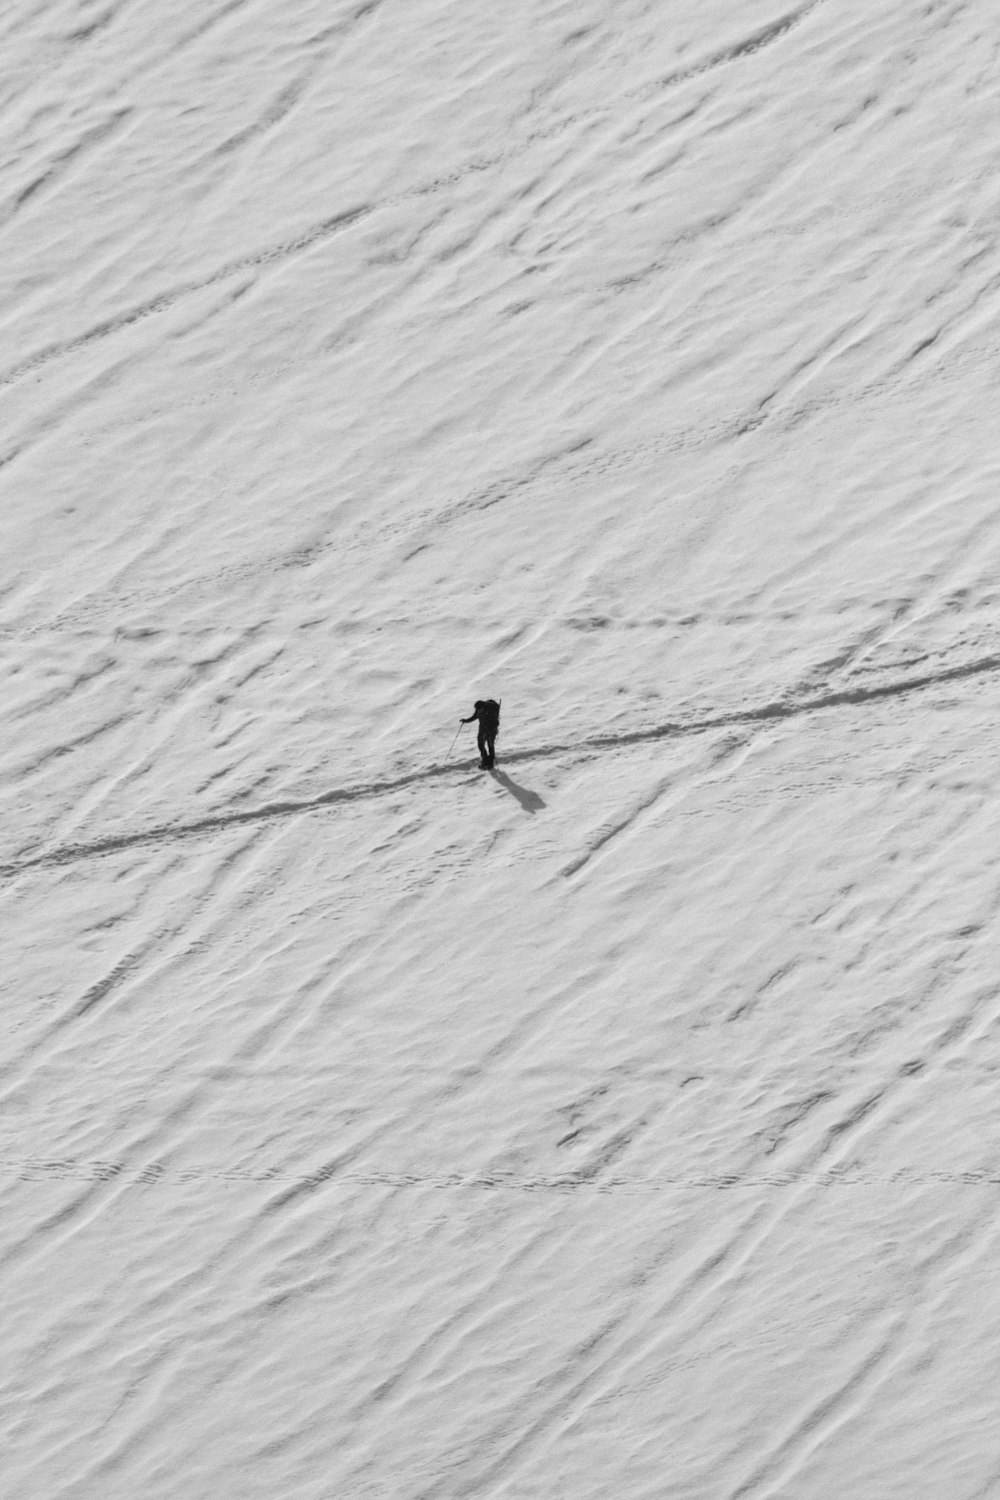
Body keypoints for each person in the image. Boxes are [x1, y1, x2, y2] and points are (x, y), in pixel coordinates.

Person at [461, 699, 500, 768]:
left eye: (479, 709)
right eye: (477, 710)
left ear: (483, 707)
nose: (478, 711)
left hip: (491, 731)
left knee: (490, 745)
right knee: (480, 745)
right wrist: (466, 721)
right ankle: (485, 761)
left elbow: (496, 723)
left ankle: (490, 763)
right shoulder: (479, 709)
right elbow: (474, 716)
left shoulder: (490, 711)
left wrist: (490, 730)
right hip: (482, 730)